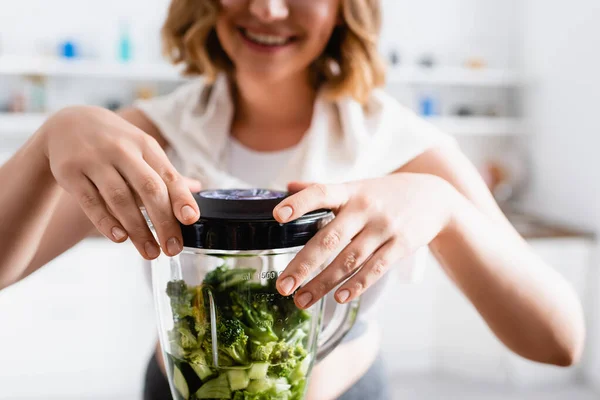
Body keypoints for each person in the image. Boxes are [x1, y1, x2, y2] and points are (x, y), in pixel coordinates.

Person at [0, 0, 585, 399]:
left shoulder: (403, 146)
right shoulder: (149, 136)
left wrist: (445, 207)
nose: (267, 8)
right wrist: (47, 143)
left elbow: (559, 341)